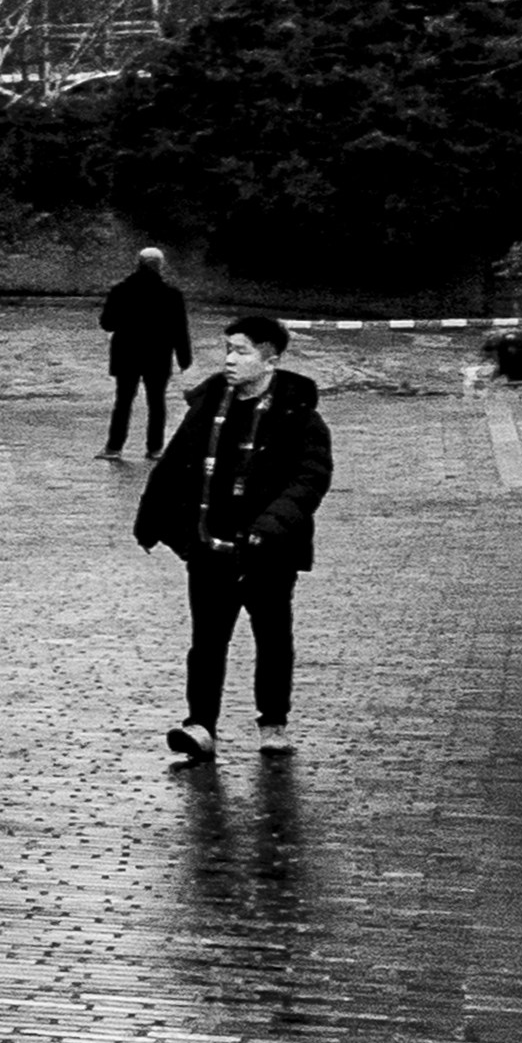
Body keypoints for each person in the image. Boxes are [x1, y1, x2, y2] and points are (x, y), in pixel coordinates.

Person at [138, 310, 334, 758]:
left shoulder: (299, 416)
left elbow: (310, 479)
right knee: (207, 643)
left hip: (267, 552)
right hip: (209, 547)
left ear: (270, 360)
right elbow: (175, 465)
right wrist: (153, 521)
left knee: (272, 638)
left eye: (241, 352)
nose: (229, 359)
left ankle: (273, 722)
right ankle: (200, 725)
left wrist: (269, 528)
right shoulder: (207, 408)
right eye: (228, 350)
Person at [99, 248, 193, 462]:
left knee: (123, 401)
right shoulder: (171, 294)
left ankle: (114, 447)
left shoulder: (120, 290)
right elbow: (180, 328)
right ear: (160, 266)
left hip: (127, 353)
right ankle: (155, 448)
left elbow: (107, 323)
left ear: (138, 263)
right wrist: (184, 358)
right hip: (158, 354)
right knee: (157, 402)